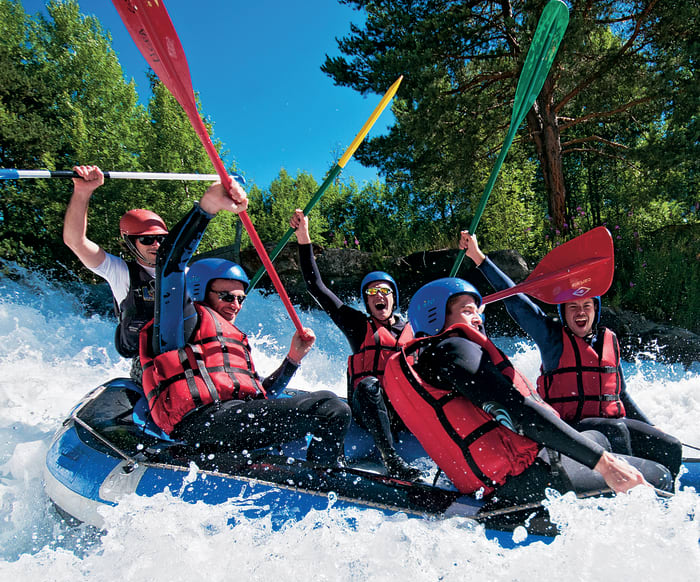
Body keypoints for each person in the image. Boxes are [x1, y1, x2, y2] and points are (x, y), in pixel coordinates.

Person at [381, 277, 673, 508]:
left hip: (502, 474)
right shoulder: (454, 349)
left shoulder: (428, 358)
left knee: (600, 436)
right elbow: (519, 414)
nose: (478, 319)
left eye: (477, 311)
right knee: (659, 474)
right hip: (520, 479)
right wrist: (604, 464)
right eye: (467, 311)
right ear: (433, 317)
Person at [139, 182, 351, 469]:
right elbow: (170, 263)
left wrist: (293, 360)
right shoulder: (181, 324)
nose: (235, 305)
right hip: (201, 422)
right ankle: (326, 478)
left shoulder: (234, 337)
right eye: (225, 296)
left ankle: (319, 475)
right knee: (330, 408)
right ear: (200, 292)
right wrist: (207, 208)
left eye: (240, 298)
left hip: (232, 421)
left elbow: (263, 396)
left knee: (333, 404)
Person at [459, 231, 682, 479]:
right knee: (616, 429)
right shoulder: (552, 338)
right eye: (573, 306)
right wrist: (479, 258)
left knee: (669, 445)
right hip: (571, 432)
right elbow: (518, 302)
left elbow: (620, 393)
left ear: (595, 311)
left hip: (611, 426)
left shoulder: (610, 340)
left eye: (587, 306)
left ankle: (666, 502)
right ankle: (626, 495)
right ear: (563, 313)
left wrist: (650, 426)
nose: (580, 312)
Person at [290, 209, 421, 481]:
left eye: (385, 291)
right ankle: (392, 460)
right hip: (366, 409)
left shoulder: (416, 331)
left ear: (394, 299)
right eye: (372, 292)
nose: (378, 295)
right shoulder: (358, 325)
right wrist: (304, 239)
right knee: (368, 385)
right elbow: (316, 287)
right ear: (366, 301)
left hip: (405, 410)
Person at [63, 164, 169, 381]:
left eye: (161, 239)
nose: (156, 245)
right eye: (147, 240)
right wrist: (83, 192)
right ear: (130, 243)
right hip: (149, 367)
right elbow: (75, 241)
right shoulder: (120, 272)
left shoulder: (182, 270)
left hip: (187, 357)